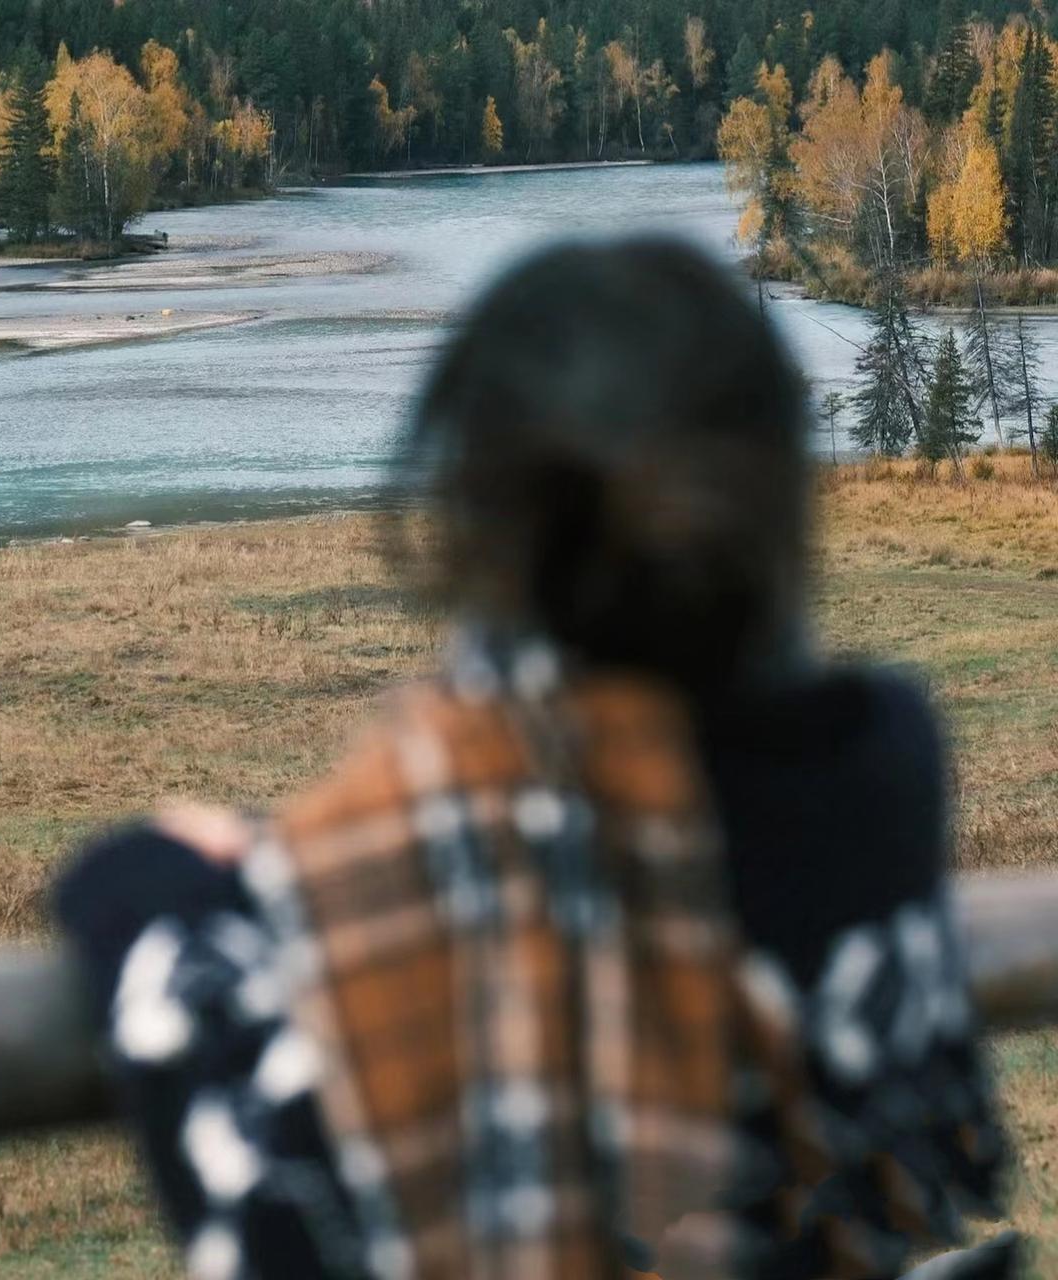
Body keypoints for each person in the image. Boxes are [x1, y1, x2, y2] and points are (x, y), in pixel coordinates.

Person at [54, 238, 1015, 1279]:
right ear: (774, 500)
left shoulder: (452, 830)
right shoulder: (874, 764)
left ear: (479, 518)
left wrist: (167, 876)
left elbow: (263, 1201)